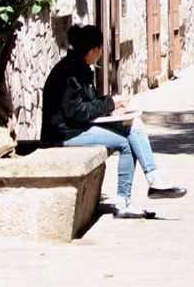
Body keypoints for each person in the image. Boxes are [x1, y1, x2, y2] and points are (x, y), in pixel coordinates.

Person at [41, 24, 186, 219]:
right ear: (94, 50)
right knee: (125, 143)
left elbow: (88, 104)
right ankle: (123, 202)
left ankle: (154, 181)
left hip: (75, 127)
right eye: (100, 50)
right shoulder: (69, 73)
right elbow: (77, 111)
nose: (101, 54)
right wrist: (110, 103)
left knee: (133, 125)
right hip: (63, 134)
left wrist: (113, 106)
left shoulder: (79, 67)